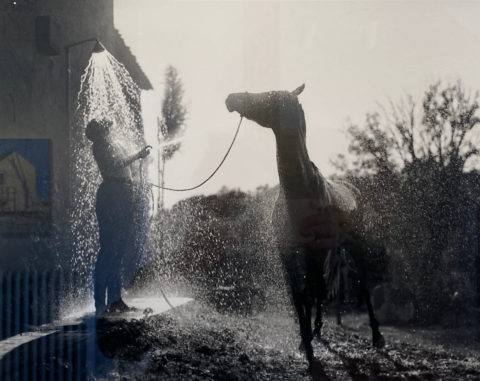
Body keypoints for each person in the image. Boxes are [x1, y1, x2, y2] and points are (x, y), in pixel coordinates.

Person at [85, 118, 151, 315]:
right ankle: (100, 304)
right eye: (107, 127)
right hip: (112, 195)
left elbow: (123, 166)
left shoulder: (111, 144)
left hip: (122, 193)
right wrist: (138, 155)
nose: (110, 128)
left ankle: (115, 300)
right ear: (100, 132)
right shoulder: (99, 146)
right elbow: (115, 165)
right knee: (108, 250)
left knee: (118, 250)